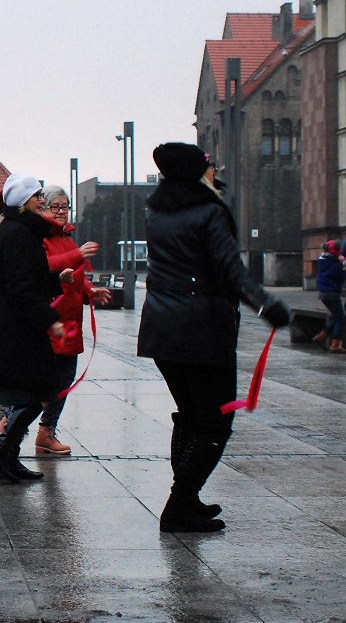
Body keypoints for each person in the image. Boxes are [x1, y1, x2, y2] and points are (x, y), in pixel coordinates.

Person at [138, 143, 290, 532]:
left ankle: (186, 498)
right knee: (214, 424)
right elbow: (230, 271)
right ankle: (179, 505)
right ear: (197, 172)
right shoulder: (209, 212)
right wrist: (266, 303)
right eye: (209, 167)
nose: (214, 171)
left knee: (190, 416)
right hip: (201, 330)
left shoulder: (157, 212)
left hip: (161, 329)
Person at [0, 173, 74, 484]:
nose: (41, 201)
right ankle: (0, 449)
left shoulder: (20, 230)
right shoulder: (19, 233)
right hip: (16, 331)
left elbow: (26, 278)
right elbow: (21, 287)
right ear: (23, 203)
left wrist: (55, 280)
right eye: (37, 197)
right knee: (37, 393)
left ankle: (6, 458)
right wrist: (49, 320)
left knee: (31, 395)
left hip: (16, 329)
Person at [32, 186, 111, 454]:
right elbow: (46, 268)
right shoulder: (39, 236)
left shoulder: (67, 237)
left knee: (63, 381)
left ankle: (46, 432)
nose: (62, 212)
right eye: (55, 206)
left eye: (65, 206)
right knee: (42, 381)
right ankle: (10, 421)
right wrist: (77, 255)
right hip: (51, 320)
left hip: (70, 322)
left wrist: (90, 291)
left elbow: (77, 275)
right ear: (43, 209)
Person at [314, 239, 345, 353]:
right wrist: (343, 264)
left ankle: (321, 337)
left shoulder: (322, 260)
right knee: (341, 318)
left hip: (323, 293)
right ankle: (335, 344)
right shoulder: (335, 264)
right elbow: (341, 278)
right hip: (332, 293)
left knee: (338, 317)